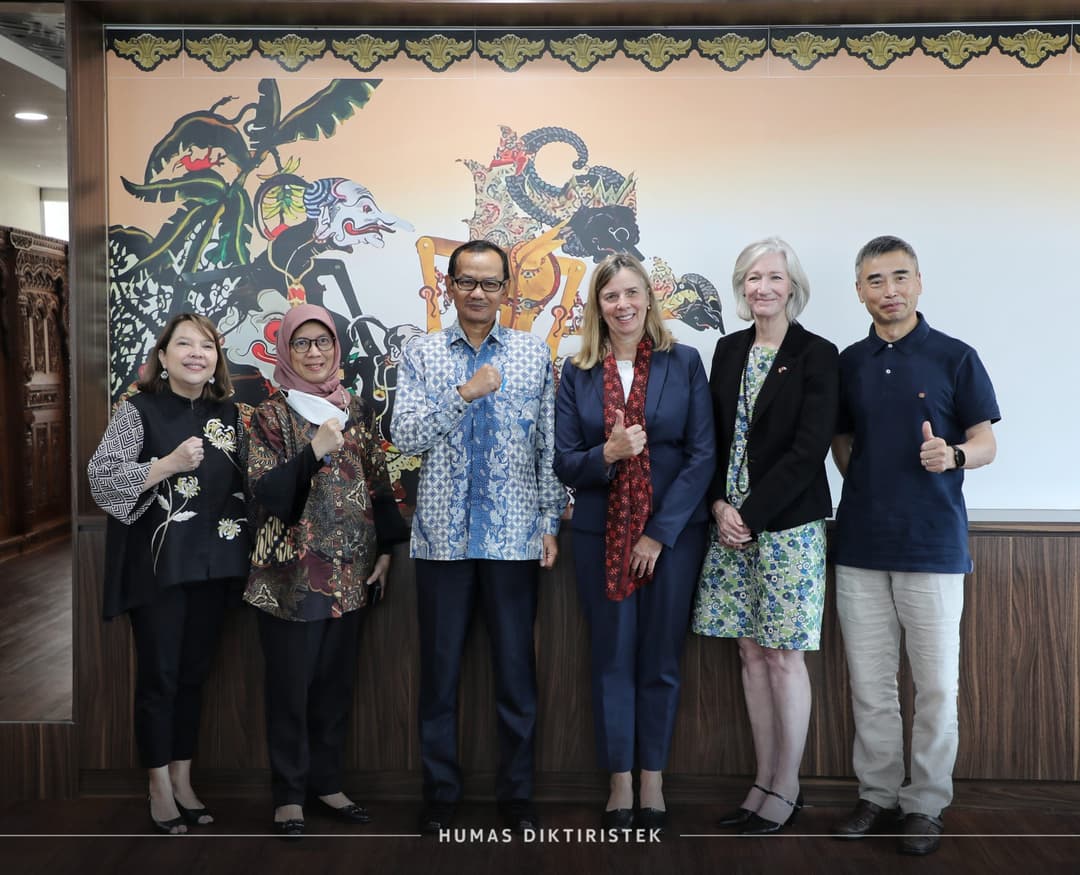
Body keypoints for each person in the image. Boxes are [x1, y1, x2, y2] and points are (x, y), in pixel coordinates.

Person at [391, 240, 566, 835]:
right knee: (439, 678)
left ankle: (516, 795)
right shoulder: (420, 354)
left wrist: (548, 522)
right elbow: (405, 435)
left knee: (516, 676)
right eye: (467, 282)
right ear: (449, 286)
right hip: (441, 542)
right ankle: (441, 796)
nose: (479, 294)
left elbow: (547, 446)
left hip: (514, 541)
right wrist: (464, 394)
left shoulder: (532, 354)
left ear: (506, 292)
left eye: (491, 284)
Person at [831, 236, 999, 856]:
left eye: (899, 277)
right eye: (875, 280)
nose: (889, 290)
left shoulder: (956, 357)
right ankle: (875, 796)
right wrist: (874, 485)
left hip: (933, 546)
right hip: (860, 546)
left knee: (934, 688)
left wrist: (952, 454)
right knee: (870, 685)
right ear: (860, 291)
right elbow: (842, 443)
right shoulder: (848, 362)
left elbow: (985, 442)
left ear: (920, 283)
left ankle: (925, 804)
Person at [554, 252, 715, 831]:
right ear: (597, 306)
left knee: (662, 660)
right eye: (610, 296)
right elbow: (566, 462)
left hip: (671, 539)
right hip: (600, 535)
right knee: (611, 659)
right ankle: (619, 780)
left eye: (631, 293)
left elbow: (702, 455)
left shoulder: (685, 362)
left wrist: (657, 534)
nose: (622, 305)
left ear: (648, 298)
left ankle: (654, 779)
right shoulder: (576, 372)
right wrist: (608, 454)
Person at [691, 238, 838, 834]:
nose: (762, 288)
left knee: (782, 657)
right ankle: (761, 780)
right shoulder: (727, 351)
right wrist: (719, 506)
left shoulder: (818, 354)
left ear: (792, 286)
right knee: (749, 652)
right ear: (741, 287)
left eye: (773, 277)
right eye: (752, 278)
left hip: (787, 528)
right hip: (729, 526)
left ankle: (787, 785)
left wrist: (749, 512)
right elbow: (711, 439)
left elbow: (809, 451)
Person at [244, 303, 408, 838]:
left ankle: (327, 783)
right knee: (291, 687)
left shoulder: (355, 407)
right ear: (287, 351)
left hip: (352, 574)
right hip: (289, 578)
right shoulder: (268, 415)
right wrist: (313, 449)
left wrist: (386, 549)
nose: (314, 353)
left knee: (336, 686)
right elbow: (266, 495)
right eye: (302, 344)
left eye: (322, 343)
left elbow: (380, 483)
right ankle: (289, 795)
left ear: (336, 348)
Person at [88, 312, 251, 834]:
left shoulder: (233, 414)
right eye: (183, 344)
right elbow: (103, 480)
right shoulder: (137, 411)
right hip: (158, 568)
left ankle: (183, 779)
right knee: (159, 678)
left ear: (216, 358)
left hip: (216, 566)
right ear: (163, 356)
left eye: (206, 345)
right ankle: (157, 784)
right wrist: (167, 464)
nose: (196, 353)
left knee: (193, 677)